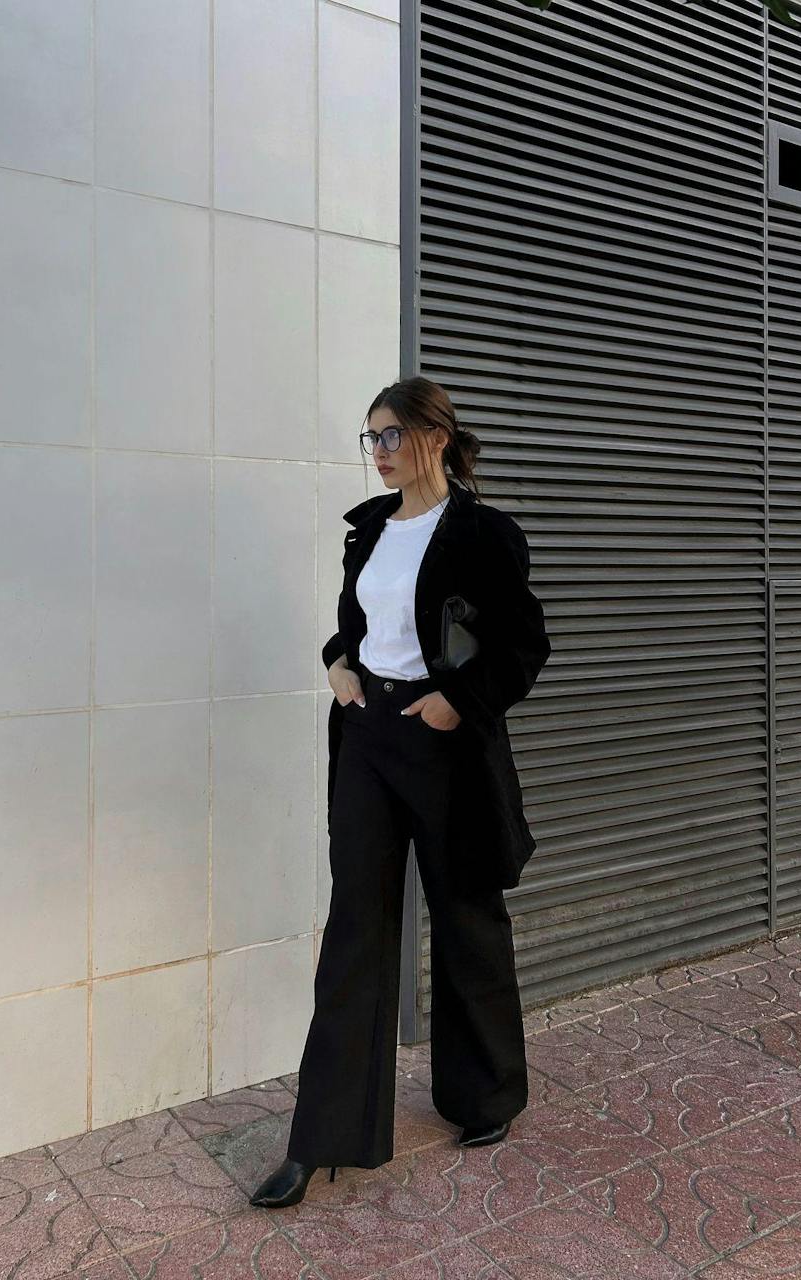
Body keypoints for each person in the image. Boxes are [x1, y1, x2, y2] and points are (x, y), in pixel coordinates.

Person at [249, 376, 551, 1209]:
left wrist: (460, 701)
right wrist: (336, 664)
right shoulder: (371, 529)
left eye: (390, 435)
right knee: (356, 926)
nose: (377, 451)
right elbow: (359, 627)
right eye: (370, 437)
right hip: (368, 739)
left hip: (443, 741)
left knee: (466, 916)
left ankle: (485, 1096)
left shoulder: (484, 533)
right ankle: (320, 1140)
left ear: (435, 438)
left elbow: (523, 643)